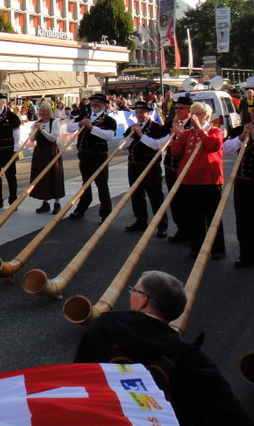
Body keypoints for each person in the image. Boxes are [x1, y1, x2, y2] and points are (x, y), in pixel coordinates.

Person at [75, 271, 252, 426]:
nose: (131, 295)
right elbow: (231, 414)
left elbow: (77, 378)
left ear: (143, 299)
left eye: (134, 291)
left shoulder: (102, 328)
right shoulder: (193, 359)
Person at [170, 101, 225, 259]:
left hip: (209, 179)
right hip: (189, 179)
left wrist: (200, 130)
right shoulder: (187, 133)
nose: (195, 117)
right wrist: (179, 136)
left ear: (207, 117)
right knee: (194, 216)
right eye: (193, 114)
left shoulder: (215, 131)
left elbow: (212, 146)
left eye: (199, 114)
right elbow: (176, 151)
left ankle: (217, 248)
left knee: (213, 216)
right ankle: (197, 246)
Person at [67, 93, 117, 223]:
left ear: (105, 105)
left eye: (98, 102)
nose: (95, 104)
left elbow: (109, 136)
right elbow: (69, 128)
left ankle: (105, 213)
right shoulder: (84, 116)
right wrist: (79, 124)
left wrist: (91, 127)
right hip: (84, 155)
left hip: (99, 156)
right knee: (85, 183)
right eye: (93, 101)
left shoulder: (109, 120)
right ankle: (81, 208)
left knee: (102, 184)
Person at [123, 101, 170, 237]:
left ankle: (162, 225)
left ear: (148, 113)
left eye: (142, 112)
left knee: (155, 196)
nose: (139, 115)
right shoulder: (132, 127)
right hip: (134, 165)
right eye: (137, 112)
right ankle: (140, 220)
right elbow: (123, 146)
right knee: (136, 194)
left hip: (150, 166)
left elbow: (156, 145)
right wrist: (131, 136)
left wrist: (141, 134)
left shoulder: (157, 128)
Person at [224, 104, 254, 267]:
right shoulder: (241, 129)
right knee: (243, 219)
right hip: (243, 183)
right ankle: (246, 254)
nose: (253, 116)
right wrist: (242, 136)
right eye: (252, 113)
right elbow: (226, 149)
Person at [163, 97, 193, 243]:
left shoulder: (194, 125)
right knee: (174, 200)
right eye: (176, 108)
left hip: (186, 169)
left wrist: (180, 133)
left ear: (190, 110)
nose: (178, 111)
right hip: (170, 167)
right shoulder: (171, 123)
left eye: (181, 108)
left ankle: (191, 231)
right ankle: (181, 229)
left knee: (188, 201)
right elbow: (160, 140)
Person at [28, 102, 64, 214]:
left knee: (54, 175)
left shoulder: (54, 123)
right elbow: (32, 139)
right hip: (40, 152)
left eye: (44, 111)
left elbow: (52, 138)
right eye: (40, 111)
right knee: (42, 176)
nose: (42, 113)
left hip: (51, 151)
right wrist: (34, 130)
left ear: (49, 112)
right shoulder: (36, 123)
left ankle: (57, 203)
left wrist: (42, 131)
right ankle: (45, 202)